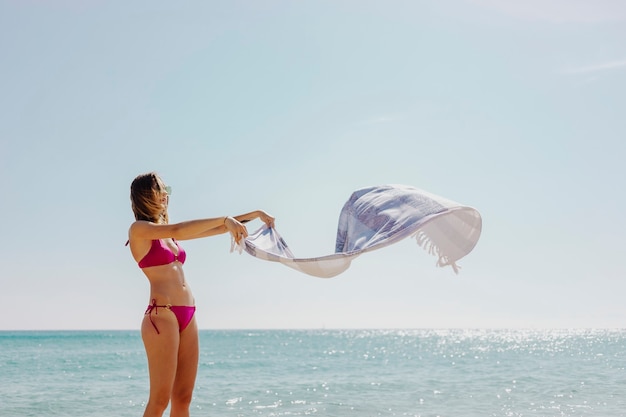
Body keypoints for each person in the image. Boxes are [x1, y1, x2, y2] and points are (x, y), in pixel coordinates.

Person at [127, 172, 274, 417]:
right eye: (162, 190)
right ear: (147, 195)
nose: (166, 195)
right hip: (162, 316)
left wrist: (254, 214)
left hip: (188, 315)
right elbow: (181, 228)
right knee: (160, 400)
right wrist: (227, 219)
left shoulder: (167, 234)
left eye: (167, 191)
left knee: (183, 398)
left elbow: (217, 228)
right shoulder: (140, 230)